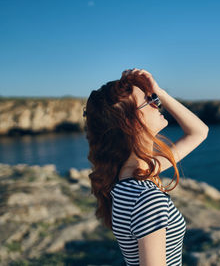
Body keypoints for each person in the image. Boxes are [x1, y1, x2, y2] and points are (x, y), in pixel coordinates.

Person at [83, 68, 209, 265]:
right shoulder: (146, 197)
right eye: (150, 101)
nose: (157, 104)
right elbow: (199, 132)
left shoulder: (128, 177)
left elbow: (199, 132)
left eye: (155, 98)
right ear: (131, 122)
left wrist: (160, 92)